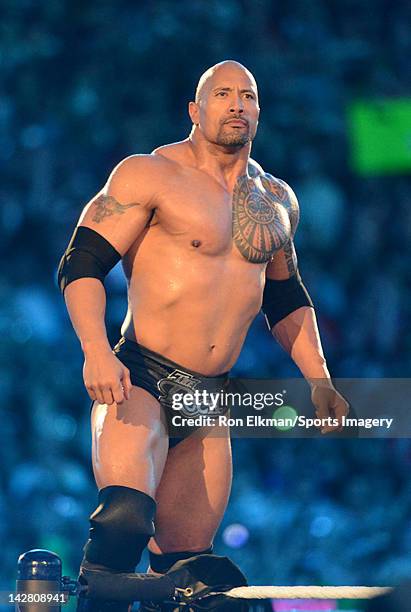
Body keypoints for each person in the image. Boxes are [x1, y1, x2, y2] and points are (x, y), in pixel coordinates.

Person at [57, 60, 349, 611]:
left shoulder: (277, 201)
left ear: (259, 111)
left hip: (210, 396)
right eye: (223, 94)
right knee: (123, 520)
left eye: (248, 95)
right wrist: (95, 350)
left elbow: (287, 300)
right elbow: (82, 263)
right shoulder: (150, 174)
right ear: (196, 110)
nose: (237, 104)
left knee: (189, 569)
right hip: (141, 375)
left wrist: (320, 380)